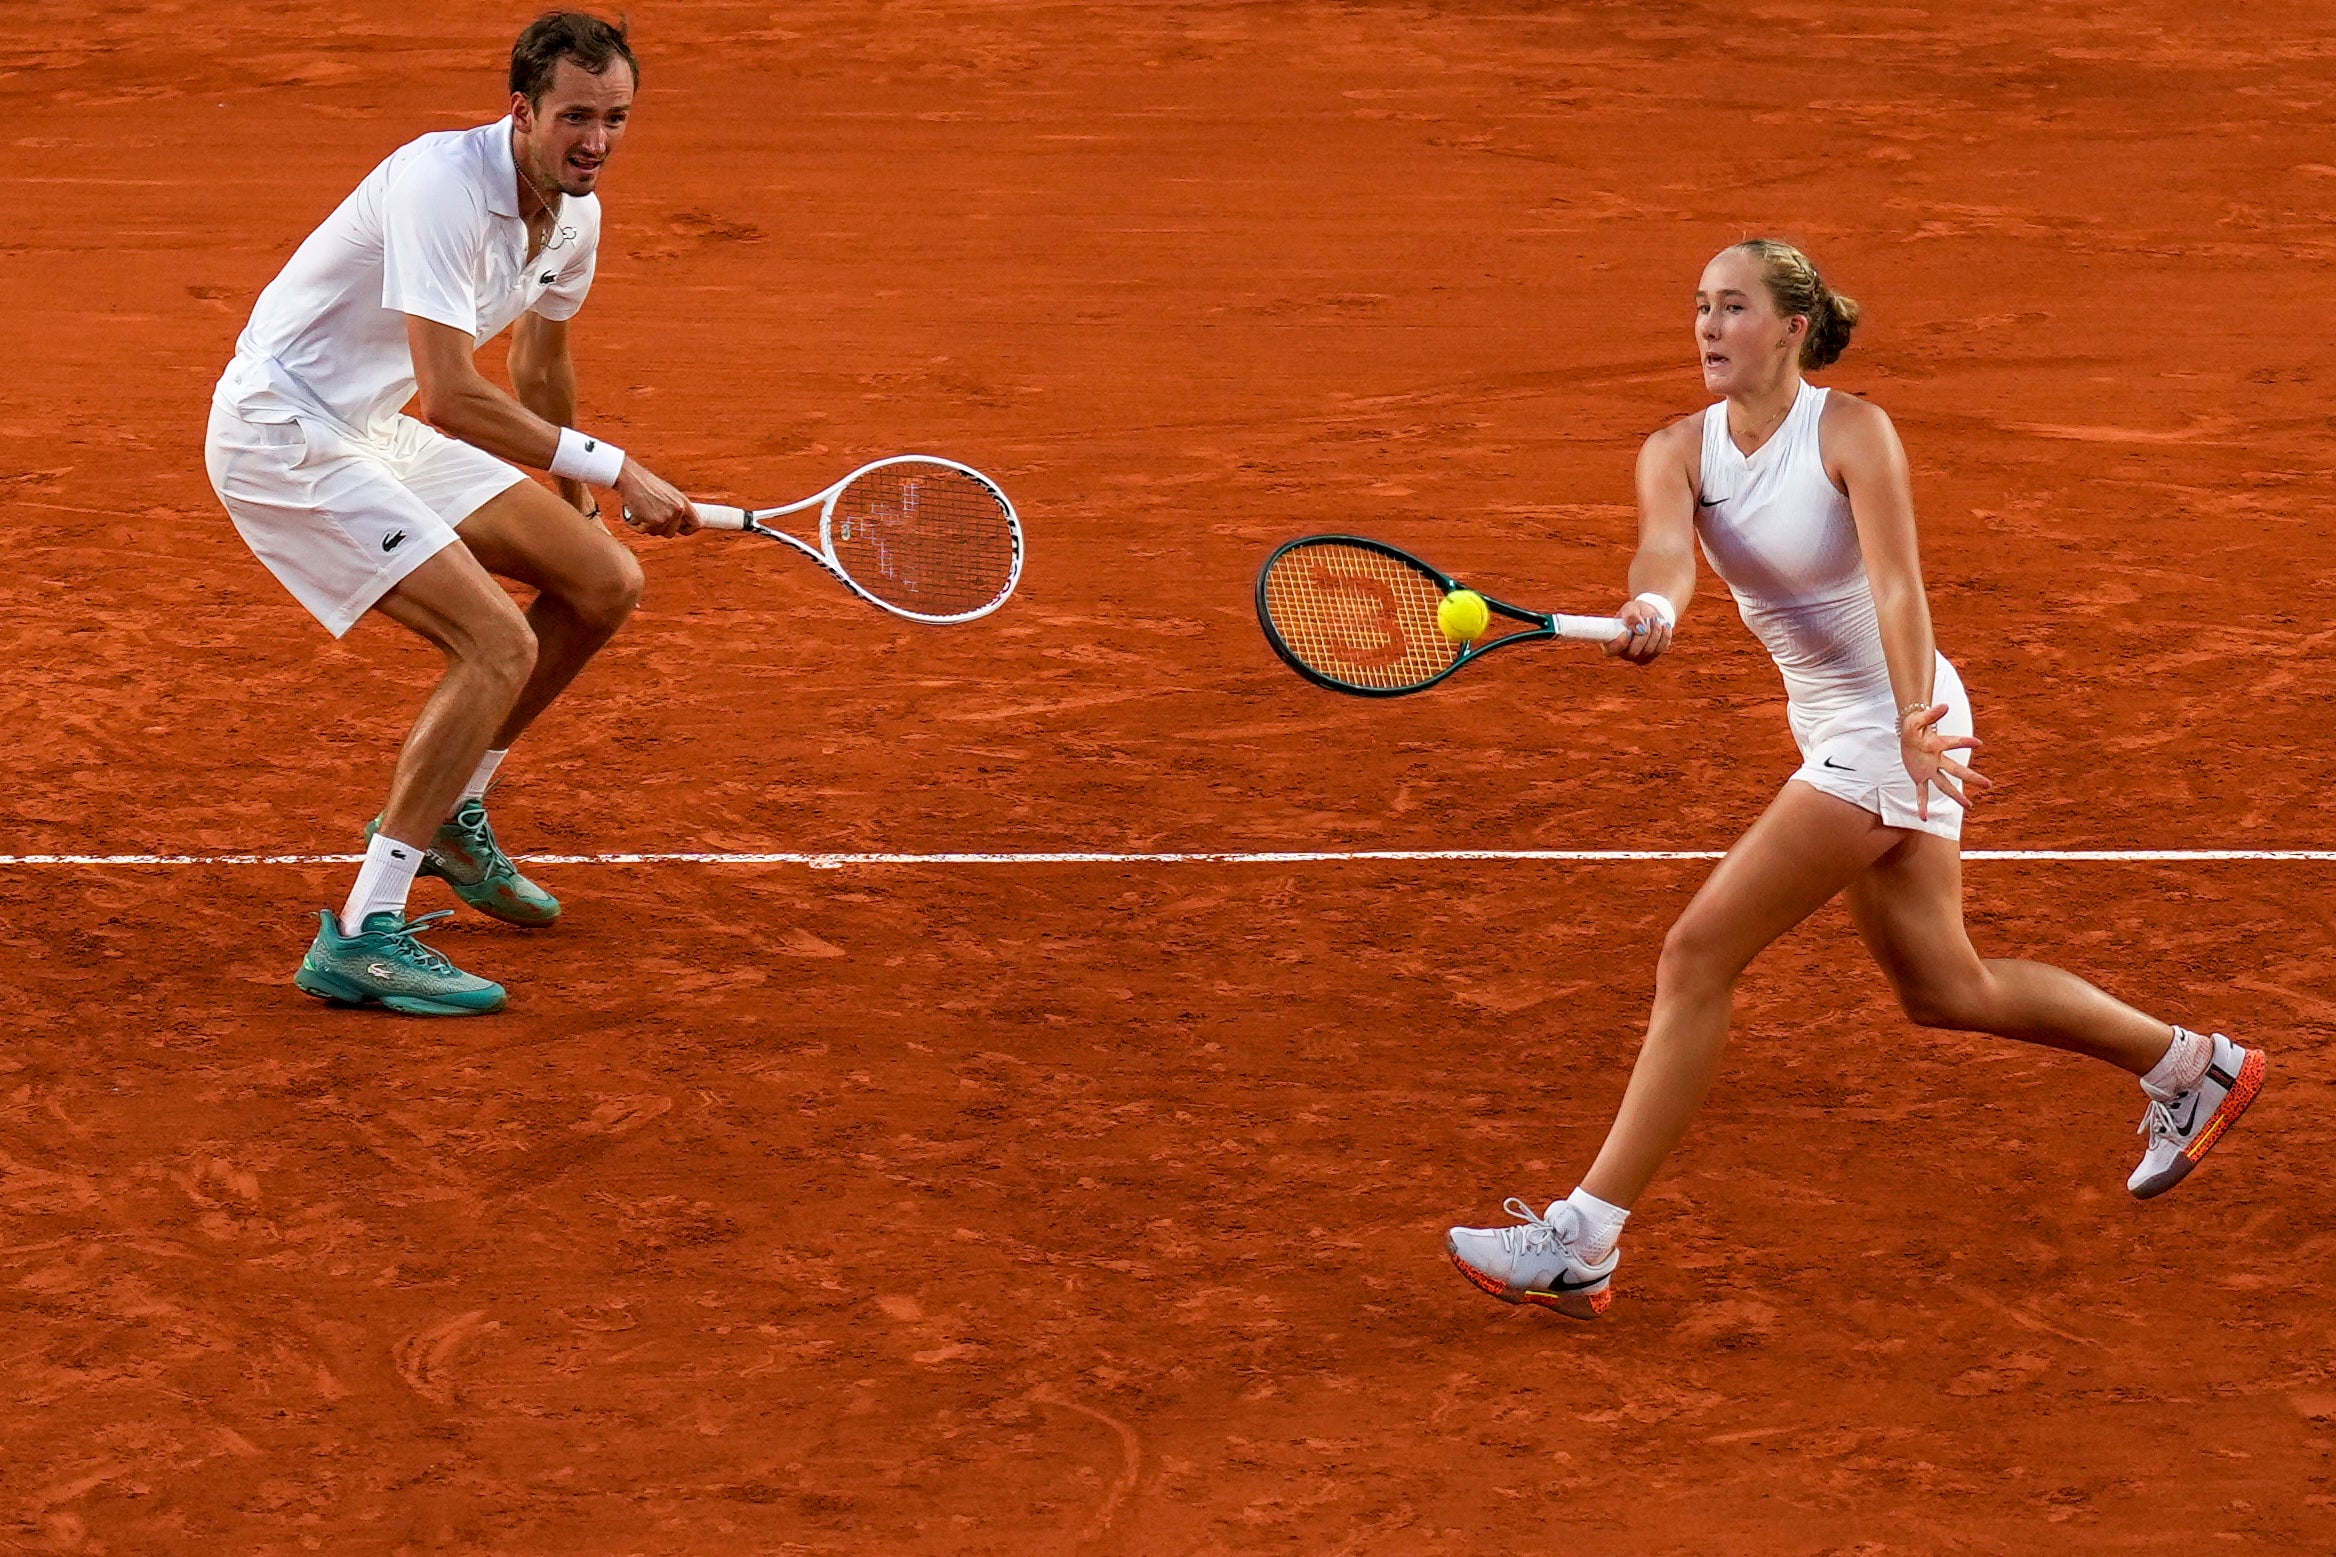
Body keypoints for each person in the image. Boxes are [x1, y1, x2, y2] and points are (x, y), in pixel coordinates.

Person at [1445, 239, 2267, 1318]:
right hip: (1837, 724)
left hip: (1898, 717)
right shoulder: (1676, 451)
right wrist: (1651, 607)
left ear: (1791, 327)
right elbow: (1665, 556)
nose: (1707, 327)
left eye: (1732, 307)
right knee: (1943, 986)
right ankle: (2192, 1068)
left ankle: (1582, 1238)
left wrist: (1915, 716)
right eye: (1700, 306)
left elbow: (1897, 586)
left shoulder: (1850, 432)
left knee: (1696, 953)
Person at [204, 12, 694, 1015]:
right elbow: (452, 397)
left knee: (602, 582)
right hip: (283, 433)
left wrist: (575, 502)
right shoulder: (441, 184)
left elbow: (539, 363)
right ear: (522, 110)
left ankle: (448, 817)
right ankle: (363, 931)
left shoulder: (575, 216)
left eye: (614, 118)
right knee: (496, 645)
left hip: (368, 427)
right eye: (574, 117)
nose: (595, 141)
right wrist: (617, 469)